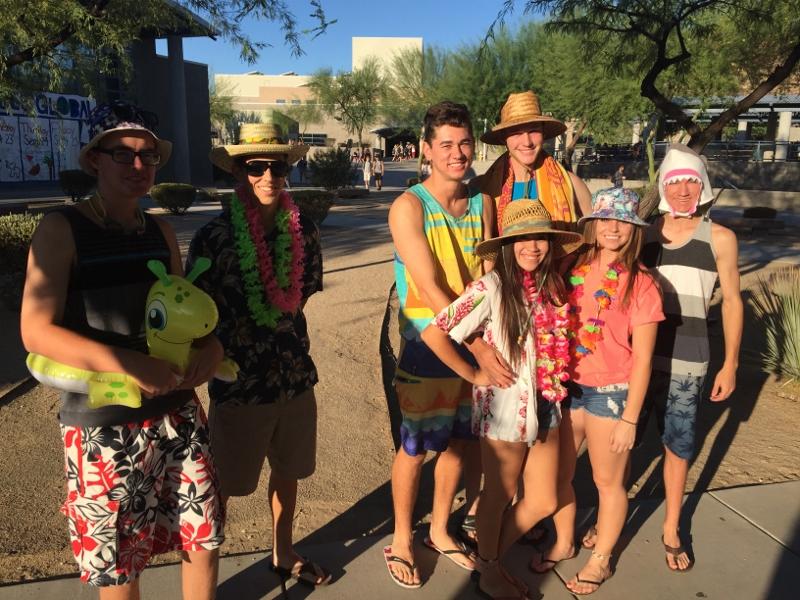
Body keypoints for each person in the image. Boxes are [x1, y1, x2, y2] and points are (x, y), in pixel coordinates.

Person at [20, 101, 224, 598]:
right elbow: (36, 331)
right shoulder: (61, 228)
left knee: (202, 536)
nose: (139, 167)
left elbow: (183, 312)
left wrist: (210, 347)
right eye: (124, 154)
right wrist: (130, 363)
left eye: (149, 157)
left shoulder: (160, 231)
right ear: (94, 159)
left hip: (177, 414)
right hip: (102, 426)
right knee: (117, 561)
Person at [186, 122, 331, 587]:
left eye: (279, 166)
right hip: (237, 384)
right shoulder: (213, 237)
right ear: (238, 172)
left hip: (293, 376)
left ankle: (282, 550)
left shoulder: (303, 230)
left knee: (289, 473)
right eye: (257, 166)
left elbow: (302, 296)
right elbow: (195, 315)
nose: (269, 176)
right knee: (221, 487)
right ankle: (206, 576)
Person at [422, 200, 582, 599]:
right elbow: (434, 333)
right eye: (522, 238)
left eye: (540, 237)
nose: (532, 246)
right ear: (507, 244)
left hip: (548, 407)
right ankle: (490, 571)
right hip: (507, 413)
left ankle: (485, 559)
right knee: (498, 496)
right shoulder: (491, 287)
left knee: (543, 499)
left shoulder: (553, 287)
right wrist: (474, 371)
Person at [385, 101, 498, 589]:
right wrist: (477, 345)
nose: (457, 153)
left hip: (477, 340)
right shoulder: (409, 207)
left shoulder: (482, 204)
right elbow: (430, 289)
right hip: (428, 345)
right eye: (446, 145)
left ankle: (437, 530)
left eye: (464, 143)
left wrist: (492, 337)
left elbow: (491, 274)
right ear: (427, 150)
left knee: (459, 442)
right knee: (415, 447)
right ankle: (401, 539)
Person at [531, 188, 664, 595]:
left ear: (633, 229)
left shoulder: (641, 285)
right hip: (567, 387)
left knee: (608, 483)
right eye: (605, 219)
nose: (612, 228)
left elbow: (643, 360)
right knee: (561, 474)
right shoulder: (570, 265)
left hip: (612, 393)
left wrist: (630, 418)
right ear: (592, 224)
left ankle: (601, 559)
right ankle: (564, 540)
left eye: (622, 221)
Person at [634, 144, 742, 572]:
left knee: (677, 447)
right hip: (636, 360)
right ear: (663, 185)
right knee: (622, 444)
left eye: (691, 181)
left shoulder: (720, 238)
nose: (683, 190)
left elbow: (732, 302)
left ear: (703, 186)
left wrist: (730, 363)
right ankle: (609, 522)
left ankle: (672, 527)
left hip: (689, 363)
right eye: (675, 181)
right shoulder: (642, 234)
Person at [473, 90, 592, 234]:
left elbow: (594, 237)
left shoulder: (571, 185)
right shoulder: (482, 189)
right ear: (504, 138)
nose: (527, 142)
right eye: (516, 133)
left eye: (534, 131)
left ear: (544, 133)